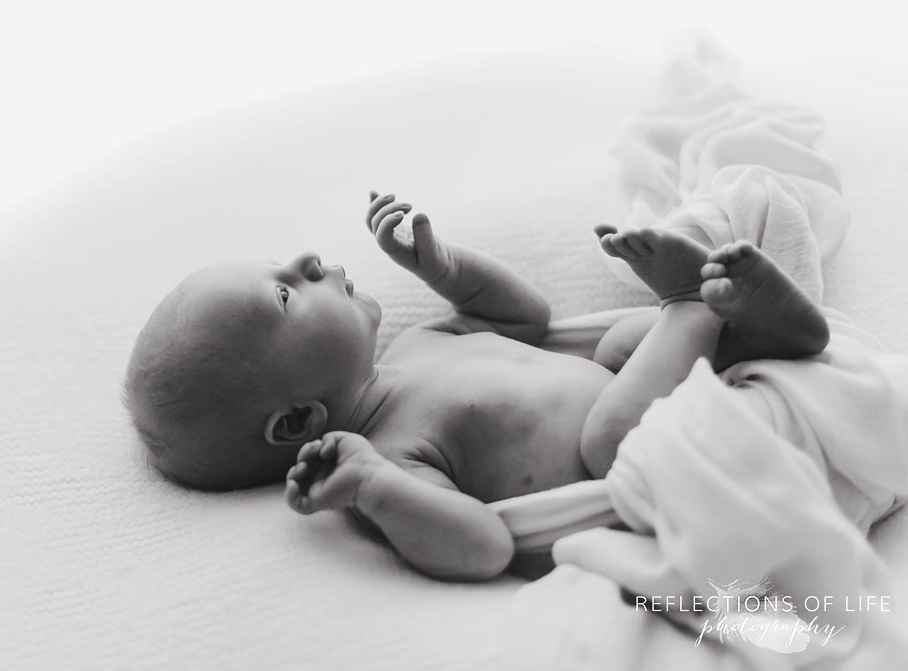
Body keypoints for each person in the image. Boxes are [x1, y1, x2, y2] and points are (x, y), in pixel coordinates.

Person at [123, 191, 829, 580]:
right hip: (663, 475)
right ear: (299, 418)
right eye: (283, 295)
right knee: (611, 434)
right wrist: (371, 486)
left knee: (619, 344)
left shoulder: (417, 345)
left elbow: (523, 319)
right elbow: (485, 545)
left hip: (711, 398)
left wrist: (445, 268)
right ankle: (694, 307)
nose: (306, 258)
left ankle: (777, 335)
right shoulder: (386, 459)